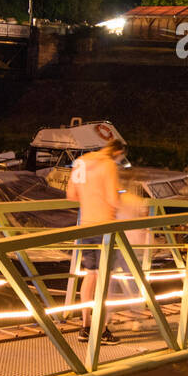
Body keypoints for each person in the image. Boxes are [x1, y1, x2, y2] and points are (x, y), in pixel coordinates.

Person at [66, 139, 127, 345]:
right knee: (103, 280)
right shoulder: (108, 165)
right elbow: (113, 199)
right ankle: (101, 330)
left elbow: (71, 195)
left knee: (90, 275)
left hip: (85, 225)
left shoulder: (80, 161)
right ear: (117, 152)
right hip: (104, 227)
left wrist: (90, 196)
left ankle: (85, 327)